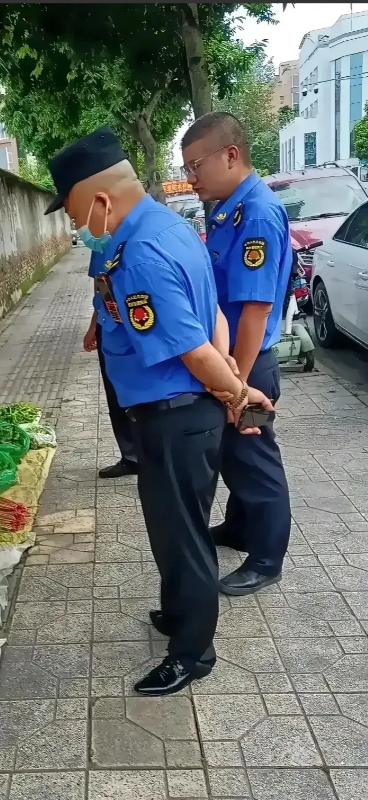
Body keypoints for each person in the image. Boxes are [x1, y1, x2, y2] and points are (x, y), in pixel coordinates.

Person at [45, 127, 274, 696]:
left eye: (74, 214)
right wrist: (234, 375)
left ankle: (193, 652)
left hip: (174, 416)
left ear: (99, 201)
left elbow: (195, 351)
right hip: (178, 414)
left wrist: (237, 394)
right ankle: (178, 614)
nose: (76, 229)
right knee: (173, 530)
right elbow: (215, 317)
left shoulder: (138, 253)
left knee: (183, 537)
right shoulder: (172, 227)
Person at [181, 112, 292, 596]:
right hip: (232, 362)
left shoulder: (258, 215)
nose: (191, 178)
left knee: (254, 461)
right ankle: (241, 529)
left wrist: (237, 388)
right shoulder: (228, 210)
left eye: (196, 165)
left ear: (231, 155)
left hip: (247, 364)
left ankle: (268, 557)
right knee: (236, 457)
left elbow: (253, 312)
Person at [83, 249, 138, 478]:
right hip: (110, 330)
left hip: (142, 327)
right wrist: (94, 326)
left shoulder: (139, 240)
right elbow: (102, 290)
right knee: (116, 395)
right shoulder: (100, 246)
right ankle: (131, 456)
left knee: (145, 394)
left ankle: (152, 453)